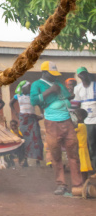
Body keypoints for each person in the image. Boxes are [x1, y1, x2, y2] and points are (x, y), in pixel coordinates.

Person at [30, 61, 83, 196]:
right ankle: (61, 184)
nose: (54, 76)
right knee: (55, 153)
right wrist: (50, 91)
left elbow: (68, 96)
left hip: (67, 121)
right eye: (51, 74)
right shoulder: (37, 85)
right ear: (44, 72)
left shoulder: (58, 83)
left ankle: (78, 183)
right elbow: (34, 101)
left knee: (73, 153)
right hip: (52, 123)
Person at [11, 80, 43, 165]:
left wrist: (42, 115)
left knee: (36, 138)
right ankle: (24, 160)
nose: (30, 88)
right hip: (23, 120)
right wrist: (16, 113)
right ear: (24, 87)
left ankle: (37, 159)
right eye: (29, 87)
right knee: (23, 139)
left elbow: (40, 104)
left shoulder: (33, 96)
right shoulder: (18, 96)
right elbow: (10, 104)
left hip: (32, 118)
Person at [72, 66, 96, 169]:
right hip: (86, 120)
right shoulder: (77, 88)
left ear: (87, 74)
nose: (83, 76)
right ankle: (91, 165)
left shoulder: (95, 85)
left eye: (84, 73)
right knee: (89, 143)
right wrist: (76, 119)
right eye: (81, 74)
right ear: (78, 76)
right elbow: (76, 105)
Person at [71, 108, 93, 178]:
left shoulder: (80, 126)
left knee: (82, 166)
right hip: (83, 148)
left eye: (75, 116)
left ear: (79, 118)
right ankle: (84, 181)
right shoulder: (83, 125)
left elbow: (71, 130)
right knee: (83, 165)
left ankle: (84, 181)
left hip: (81, 148)